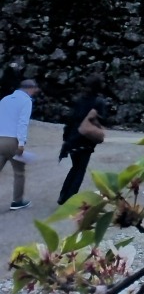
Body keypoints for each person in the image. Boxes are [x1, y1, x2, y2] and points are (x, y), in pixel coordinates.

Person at [57, 73, 109, 206]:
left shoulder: (79, 100)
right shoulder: (99, 102)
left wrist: (66, 138)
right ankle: (70, 199)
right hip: (86, 140)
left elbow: (70, 118)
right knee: (80, 170)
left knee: (75, 167)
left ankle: (63, 196)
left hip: (73, 139)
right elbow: (103, 120)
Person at [0, 78, 40, 210]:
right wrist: (21, 143)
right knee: (19, 172)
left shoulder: (4, 99)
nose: (34, 92)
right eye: (34, 89)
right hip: (13, 140)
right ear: (30, 88)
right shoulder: (26, 101)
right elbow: (22, 123)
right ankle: (17, 201)